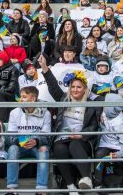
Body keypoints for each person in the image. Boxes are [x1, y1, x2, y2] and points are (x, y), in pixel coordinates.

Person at [39, 54, 101, 194]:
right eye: (73, 87)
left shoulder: (91, 104)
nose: (75, 90)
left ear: (85, 89)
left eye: (79, 87)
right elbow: (53, 86)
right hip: (62, 137)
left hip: (81, 139)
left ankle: (86, 178)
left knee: (74, 144)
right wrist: (44, 68)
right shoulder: (63, 99)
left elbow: (93, 126)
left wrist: (82, 135)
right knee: (59, 148)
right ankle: (71, 186)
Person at [6, 86, 51, 194]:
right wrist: (21, 141)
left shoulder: (46, 113)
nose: (21, 99)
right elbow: (10, 136)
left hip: (37, 145)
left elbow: (47, 136)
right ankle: (11, 189)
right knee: (12, 149)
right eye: (21, 96)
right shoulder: (14, 112)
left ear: (33, 99)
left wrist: (36, 141)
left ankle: (41, 190)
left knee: (44, 150)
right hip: (20, 146)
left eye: (24, 97)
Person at [93, 93, 123, 195]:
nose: (104, 105)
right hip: (106, 144)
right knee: (99, 156)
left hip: (120, 146)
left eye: (106, 104)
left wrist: (118, 155)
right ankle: (98, 184)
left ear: (111, 107)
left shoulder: (120, 123)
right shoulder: (104, 113)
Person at [0, 51, 19, 122]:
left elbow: (12, 86)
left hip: (9, 94)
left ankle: (2, 121)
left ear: (4, 59)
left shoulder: (13, 69)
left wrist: (0, 91)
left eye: (0, 59)